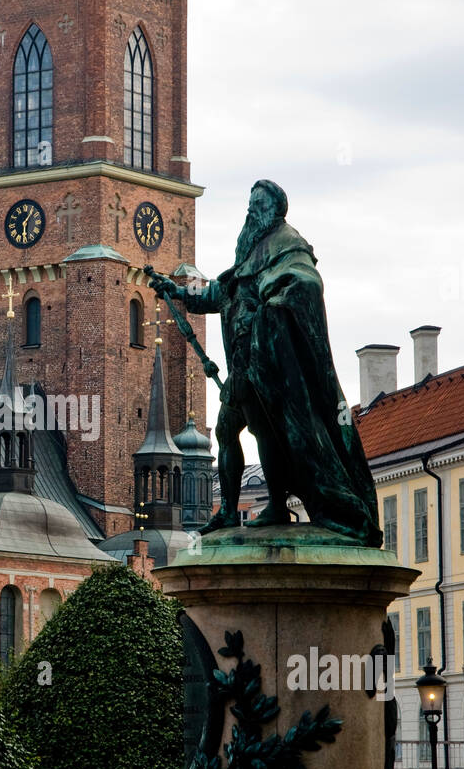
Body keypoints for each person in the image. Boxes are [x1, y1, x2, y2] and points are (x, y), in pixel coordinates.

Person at [147, 180, 382, 547]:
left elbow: (306, 282)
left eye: (257, 206)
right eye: (249, 205)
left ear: (273, 211)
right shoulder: (250, 250)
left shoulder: (288, 244)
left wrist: (275, 301)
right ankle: (228, 511)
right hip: (245, 364)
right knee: (228, 431)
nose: (250, 212)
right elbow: (219, 292)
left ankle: (275, 505)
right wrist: (176, 290)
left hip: (269, 364)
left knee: (267, 432)